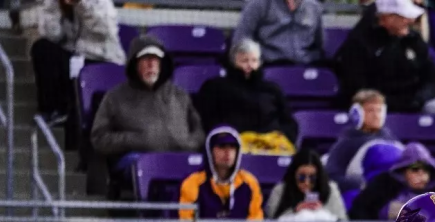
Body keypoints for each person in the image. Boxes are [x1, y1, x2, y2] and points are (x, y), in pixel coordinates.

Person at [90, 35, 205, 193]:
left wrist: (187, 143)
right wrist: (135, 140)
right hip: (137, 159)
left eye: (156, 59)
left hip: (179, 157)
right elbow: (99, 138)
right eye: (145, 59)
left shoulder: (179, 95)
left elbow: (199, 130)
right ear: (135, 64)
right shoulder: (115, 97)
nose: (151, 64)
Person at [334, 0, 435, 115]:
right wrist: (389, 102)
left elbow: (431, 79)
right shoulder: (359, 43)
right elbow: (356, 86)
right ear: (386, 17)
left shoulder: (414, 40)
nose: (410, 21)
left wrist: (419, 99)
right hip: (377, 102)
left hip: (414, 100)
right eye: (403, 16)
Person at [194, 40, 299, 155]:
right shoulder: (215, 87)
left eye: (254, 61)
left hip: (271, 146)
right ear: (233, 62)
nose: (250, 65)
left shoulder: (272, 89)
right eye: (244, 60)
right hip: (232, 146)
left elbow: (289, 123)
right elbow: (207, 120)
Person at [31, 0, 124, 125]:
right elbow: (52, 35)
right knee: (42, 48)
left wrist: (82, 4)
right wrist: (54, 7)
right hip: (74, 57)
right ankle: (53, 110)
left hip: (100, 58)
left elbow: (106, 30)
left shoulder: (100, 2)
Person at [178, 127, 265, 222]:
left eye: (232, 147)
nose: (228, 152)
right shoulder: (193, 182)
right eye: (222, 147)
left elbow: (255, 219)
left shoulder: (249, 182)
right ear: (210, 151)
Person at [349, 143, 435, 221]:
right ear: (403, 171)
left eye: (426, 169)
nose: (422, 175)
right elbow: (359, 211)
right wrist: (384, 212)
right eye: (415, 169)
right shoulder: (384, 185)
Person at [324, 90, 402, 193]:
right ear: (356, 113)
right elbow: (332, 176)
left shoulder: (391, 139)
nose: (376, 115)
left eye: (379, 110)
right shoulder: (347, 142)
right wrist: (362, 185)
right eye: (370, 111)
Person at [233, 0, 326, 66]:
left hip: (305, 64)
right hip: (269, 64)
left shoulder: (313, 7)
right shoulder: (258, 4)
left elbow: (320, 44)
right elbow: (241, 41)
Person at [265, 147, 348, 221]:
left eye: (312, 178)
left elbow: (342, 221)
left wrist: (321, 211)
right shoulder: (280, 190)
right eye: (301, 177)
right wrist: (294, 211)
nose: (307, 183)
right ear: (293, 175)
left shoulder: (331, 189)